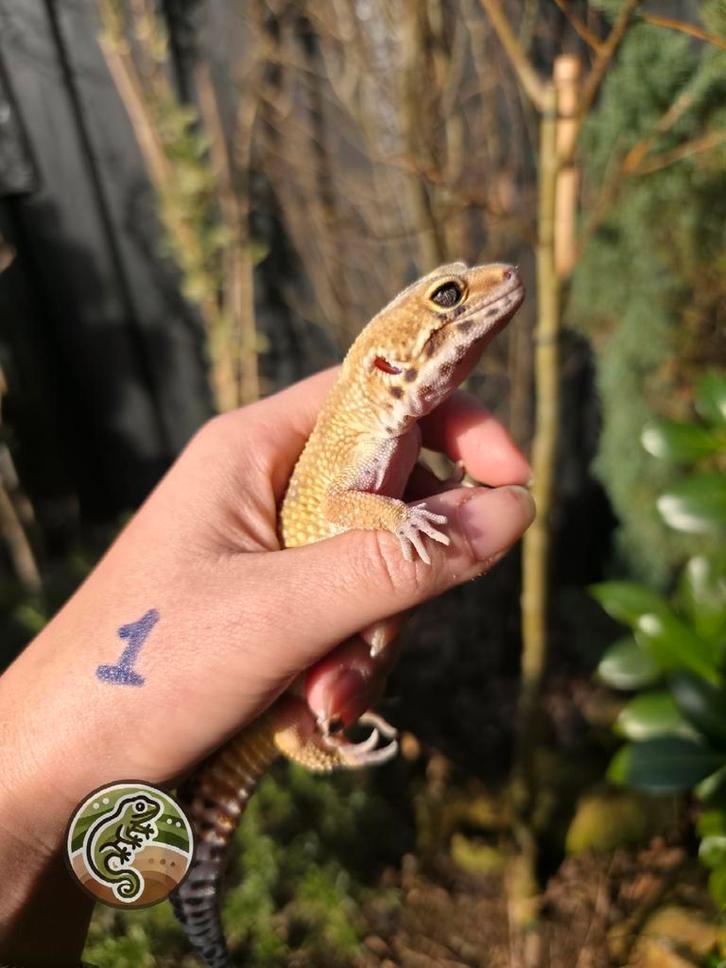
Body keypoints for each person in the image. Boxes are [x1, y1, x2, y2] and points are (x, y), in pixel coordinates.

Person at [0, 368, 535, 965]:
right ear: (387, 364)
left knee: (317, 700)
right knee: (308, 712)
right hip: (278, 699)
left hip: (280, 688)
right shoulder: (363, 428)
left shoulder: (379, 429)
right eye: (448, 298)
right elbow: (339, 502)